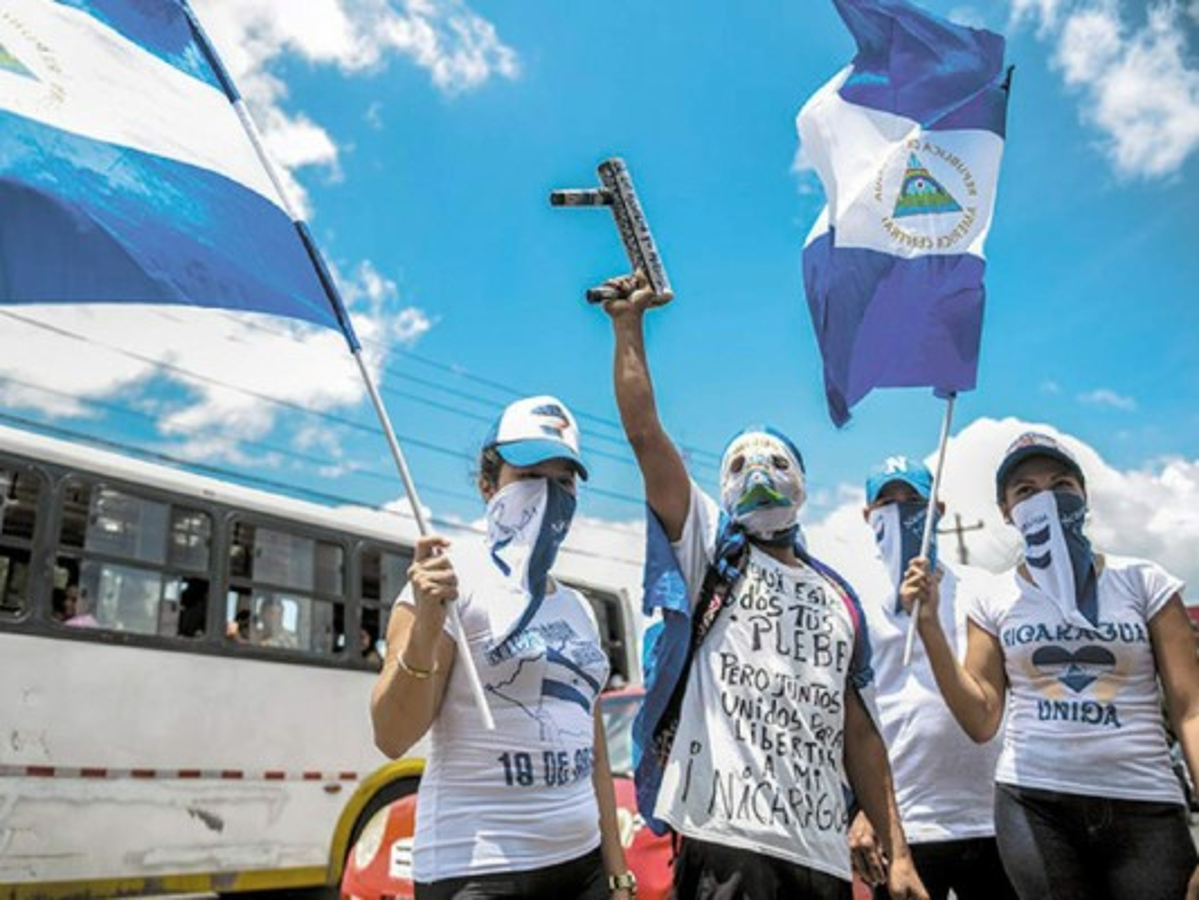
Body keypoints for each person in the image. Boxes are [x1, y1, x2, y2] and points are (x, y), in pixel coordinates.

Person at [600, 272, 926, 900]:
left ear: (803, 484)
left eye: (776, 462)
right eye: (738, 465)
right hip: (726, 847)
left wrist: (897, 846)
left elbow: (859, 731)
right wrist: (627, 328)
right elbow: (645, 436)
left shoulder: (839, 600)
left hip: (820, 854)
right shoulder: (706, 555)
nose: (757, 473)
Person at [904, 431, 1199, 899]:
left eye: (1061, 484)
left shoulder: (1145, 582)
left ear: (1083, 496)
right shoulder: (993, 598)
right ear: (1006, 512)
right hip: (1035, 804)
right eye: (1025, 491)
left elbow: (1190, 710)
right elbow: (981, 718)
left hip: (1145, 802)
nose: (1046, 498)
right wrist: (930, 630)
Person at [370, 395, 634, 900]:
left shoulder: (579, 608)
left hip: (583, 870)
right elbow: (391, 734)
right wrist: (427, 624)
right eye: (530, 475)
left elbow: (592, 747)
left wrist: (617, 873)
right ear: (488, 486)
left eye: (563, 481)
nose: (549, 495)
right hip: (479, 872)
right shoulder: (449, 582)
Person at [849, 457, 1015, 900]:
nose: (901, 511)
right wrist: (863, 808)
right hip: (907, 829)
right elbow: (854, 725)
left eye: (913, 501)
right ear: (869, 518)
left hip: (992, 819)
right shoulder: (856, 609)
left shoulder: (983, 592)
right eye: (887, 502)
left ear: (937, 511)